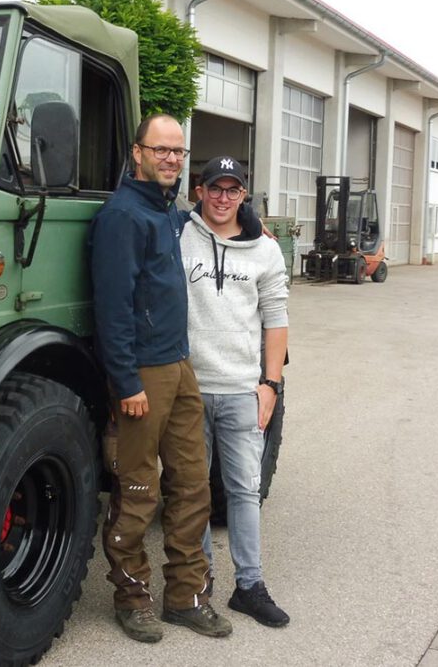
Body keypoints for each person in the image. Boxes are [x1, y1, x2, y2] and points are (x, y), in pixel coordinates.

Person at [90, 113, 232, 643]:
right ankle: (132, 598)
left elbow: (211, 220)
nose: (172, 158)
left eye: (178, 150)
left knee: (193, 486)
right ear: (138, 153)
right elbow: (113, 307)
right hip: (143, 373)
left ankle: (186, 598)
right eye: (162, 149)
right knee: (138, 489)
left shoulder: (164, 213)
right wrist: (126, 383)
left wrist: (249, 218)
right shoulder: (124, 217)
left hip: (179, 364)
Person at [179, 155, 290, 628]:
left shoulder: (265, 250)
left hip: (243, 390)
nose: (223, 197)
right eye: (214, 188)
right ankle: (199, 584)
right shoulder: (178, 234)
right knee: (193, 491)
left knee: (244, 490)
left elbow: (276, 318)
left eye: (233, 190)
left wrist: (271, 384)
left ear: (244, 195)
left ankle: (250, 586)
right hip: (189, 390)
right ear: (199, 191)